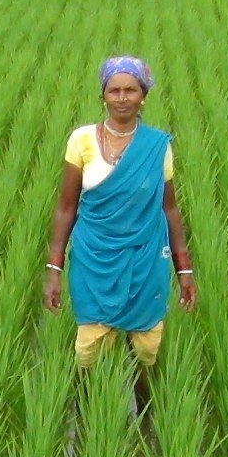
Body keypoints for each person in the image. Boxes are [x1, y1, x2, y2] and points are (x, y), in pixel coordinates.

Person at [42, 55, 197, 412]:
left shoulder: (157, 146)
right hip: (94, 256)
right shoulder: (81, 140)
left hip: (146, 256)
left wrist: (184, 269)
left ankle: (145, 411)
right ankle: (84, 415)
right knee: (89, 347)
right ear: (104, 95)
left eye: (131, 90)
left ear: (143, 96)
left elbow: (169, 209)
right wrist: (54, 269)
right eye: (115, 90)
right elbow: (66, 208)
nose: (122, 97)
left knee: (146, 346)